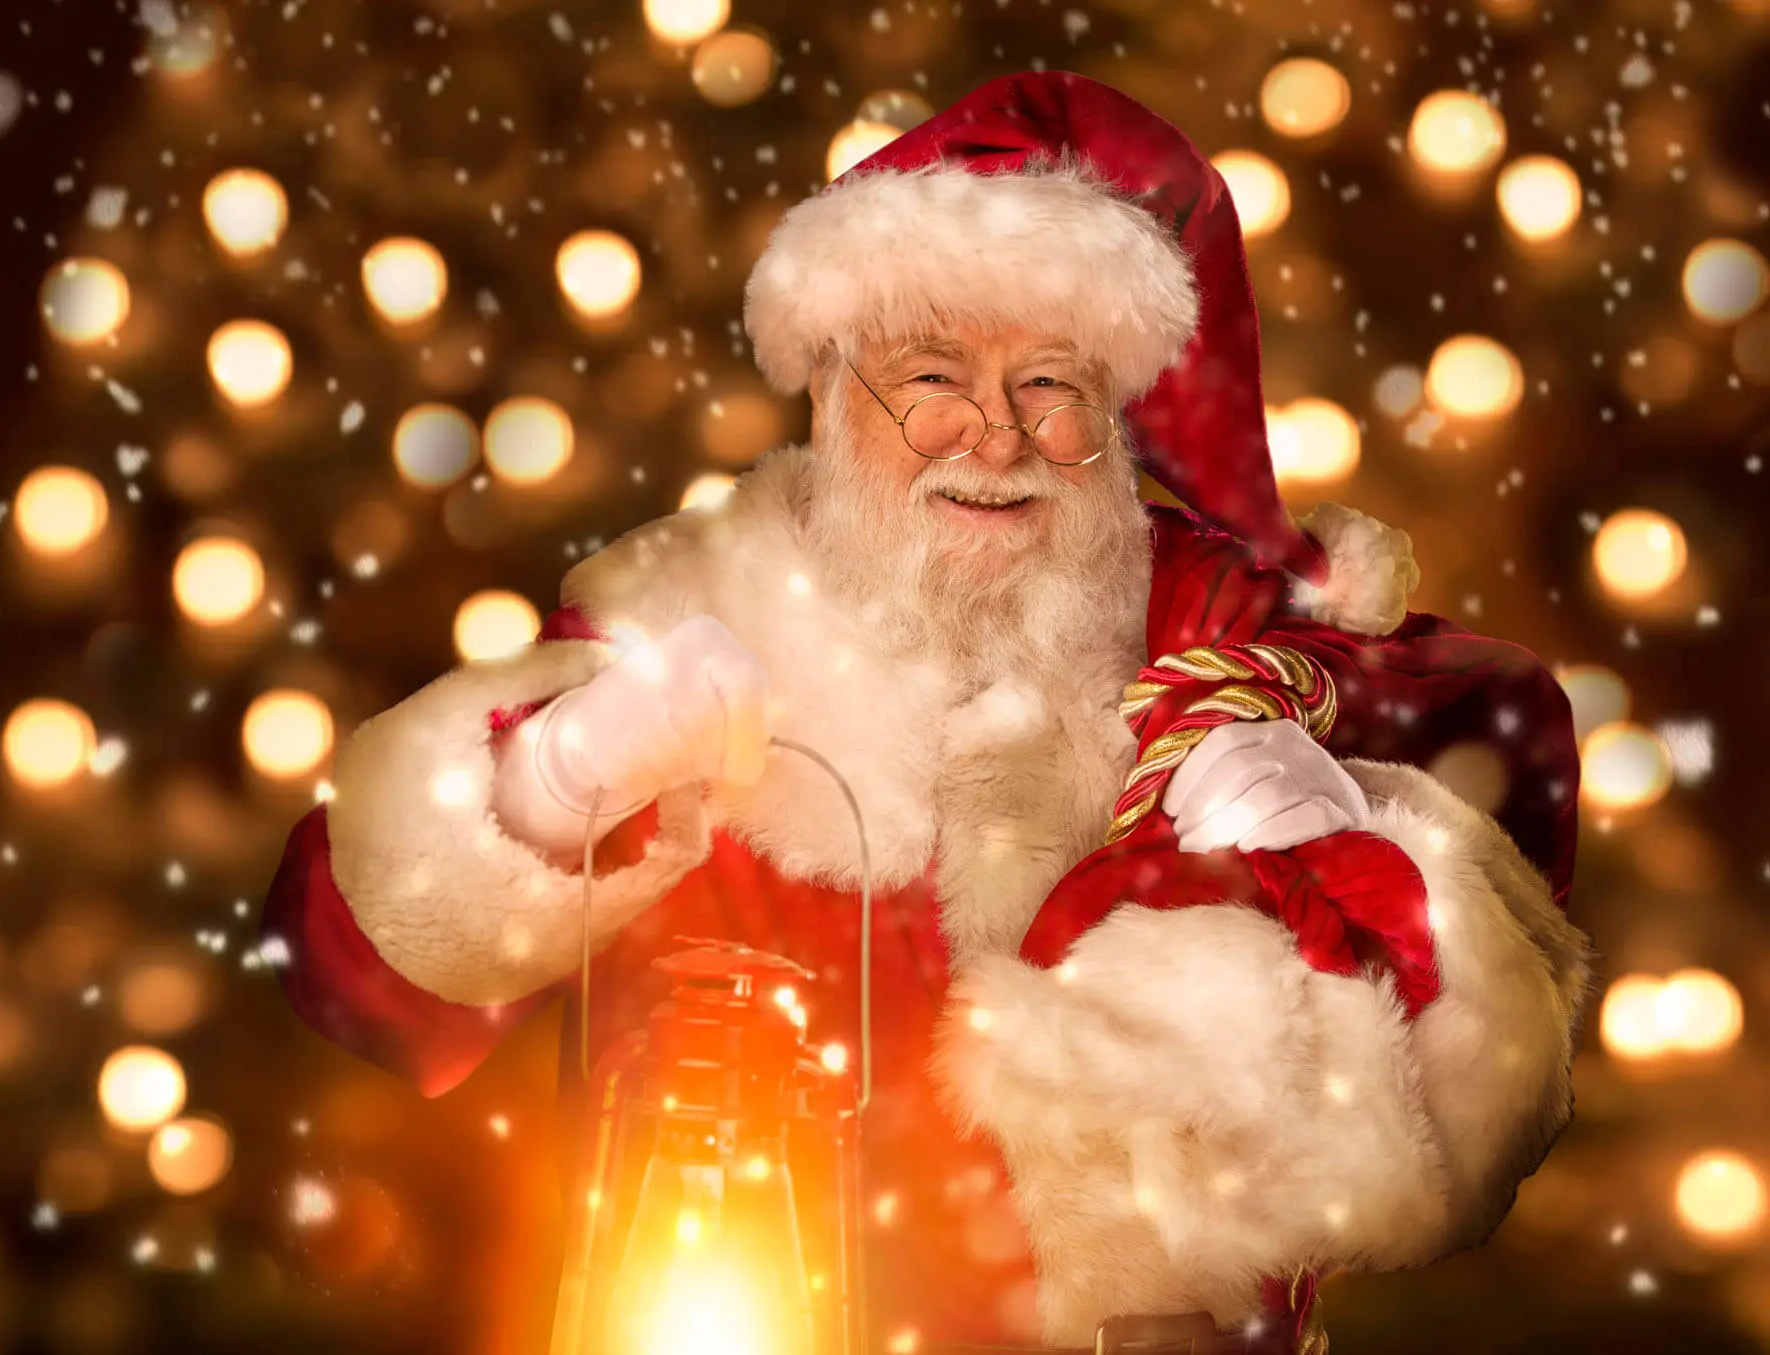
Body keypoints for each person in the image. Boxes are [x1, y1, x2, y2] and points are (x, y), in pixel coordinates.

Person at [265, 71, 1591, 1354]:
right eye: (932, 377)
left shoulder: (1226, 649)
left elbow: (1455, 1116)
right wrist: (541, 788)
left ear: (1118, 415)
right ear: (838, 389)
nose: (993, 438)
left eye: (1049, 386)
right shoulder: (699, 604)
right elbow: (355, 976)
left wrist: (1349, 849)